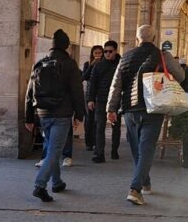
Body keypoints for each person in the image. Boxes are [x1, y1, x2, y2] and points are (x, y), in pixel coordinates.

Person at [107, 24, 185, 205]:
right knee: (147, 149)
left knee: (137, 150)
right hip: (153, 107)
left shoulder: (125, 57)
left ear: (137, 39)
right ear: (155, 38)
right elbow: (180, 76)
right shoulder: (163, 55)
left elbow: (116, 85)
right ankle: (135, 189)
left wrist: (111, 109)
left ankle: (145, 182)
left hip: (130, 109)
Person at [25, 29, 86, 202]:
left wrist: (29, 117)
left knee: (52, 146)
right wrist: (79, 115)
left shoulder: (40, 63)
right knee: (55, 150)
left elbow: (30, 93)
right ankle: (40, 185)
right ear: (66, 46)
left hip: (43, 113)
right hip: (62, 113)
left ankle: (57, 182)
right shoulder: (69, 64)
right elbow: (77, 91)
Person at [87, 39, 121, 163]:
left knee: (115, 126)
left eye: (110, 51)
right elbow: (93, 83)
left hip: (117, 100)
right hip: (101, 99)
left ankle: (114, 151)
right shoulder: (99, 65)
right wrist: (90, 99)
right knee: (99, 126)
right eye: (105, 51)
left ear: (115, 51)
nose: (107, 54)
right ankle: (99, 153)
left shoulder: (121, 65)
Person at [81, 45, 104, 152]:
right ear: (92, 54)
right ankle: (89, 143)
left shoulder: (104, 64)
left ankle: (96, 142)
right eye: (96, 53)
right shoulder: (87, 64)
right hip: (89, 94)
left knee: (97, 120)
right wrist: (91, 66)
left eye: (100, 53)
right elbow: (83, 77)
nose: (98, 55)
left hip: (100, 94)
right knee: (89, 119)